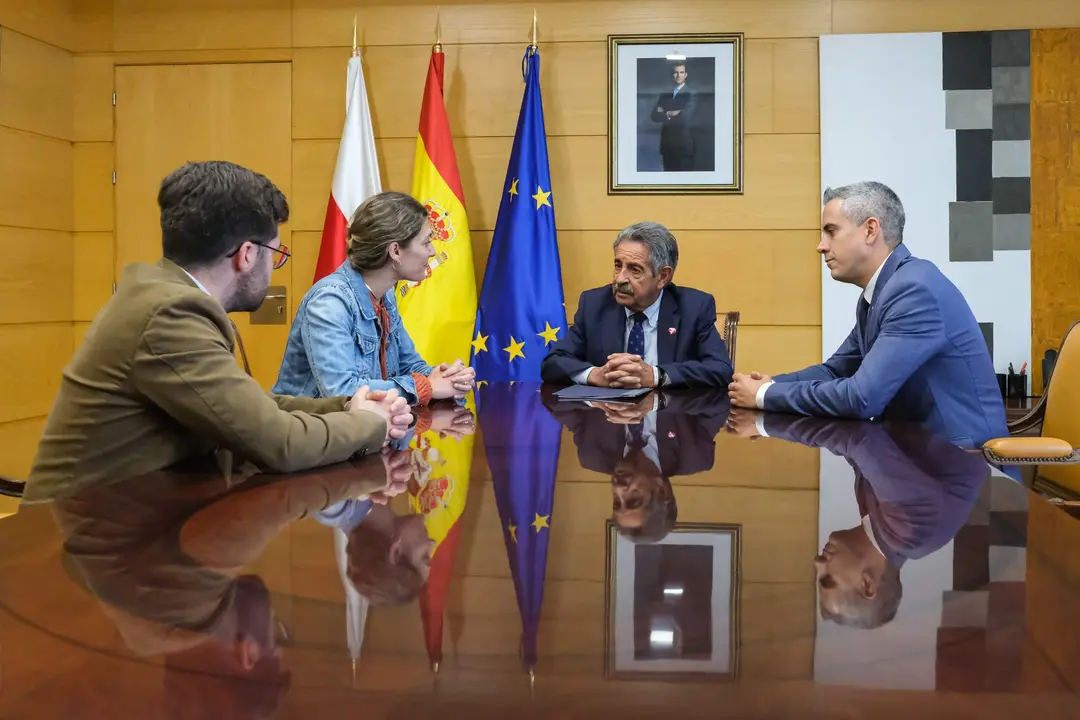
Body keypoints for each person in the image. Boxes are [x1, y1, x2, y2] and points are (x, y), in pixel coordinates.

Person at [25, 161, 411, 503]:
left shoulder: (167, 297)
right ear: (247, 254)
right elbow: (281, 444)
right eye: (275, 254)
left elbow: (253, 408)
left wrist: (346, 406)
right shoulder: (170, 315)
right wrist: (369, 423)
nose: (273, 266)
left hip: (138, 524)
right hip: (76, 545)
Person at [728, 181, 1008, 448]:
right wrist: (770, 384)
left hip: (961, 470)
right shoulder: (882, 292)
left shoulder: (913, 291)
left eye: (831, 231)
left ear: (870, 230)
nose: (821, 245)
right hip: (913, 459)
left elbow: (862, 398)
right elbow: (835, 370)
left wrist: (764, 395)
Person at [727, 412, 988, 629]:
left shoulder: (880, 524)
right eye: (828, 579)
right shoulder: (912, 532)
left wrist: (767, 407)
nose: (817, 563)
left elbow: (850, 436)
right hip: (943, 387)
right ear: (867, 584)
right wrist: (764, 424)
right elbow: (858, 436)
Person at [273, 191, 474, 406]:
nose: (433, 252)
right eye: (426, 242)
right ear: (395, 251)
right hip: (309, 433)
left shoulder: (385, 294)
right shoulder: (329, 302)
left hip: (363, 429)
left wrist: (444, 377)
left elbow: (410, 365)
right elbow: (342, 392)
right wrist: (426, 386)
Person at [540, 222, 733, 388]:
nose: (620, 278)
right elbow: (553, 363)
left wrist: (656, 376)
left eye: (635, 269)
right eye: (618, 265)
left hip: (671, 420)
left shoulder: (694, 307)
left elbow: (720, 369)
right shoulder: (595, 304)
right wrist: (594, 375)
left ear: (662, 276)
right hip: (607, 420)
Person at [543, 388, 729, 543]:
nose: (620, 489)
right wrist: (657, 397)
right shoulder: (693, 453)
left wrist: (602, 394)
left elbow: (553, 396)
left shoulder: (592, 453)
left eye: (617, 501)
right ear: (662, 490)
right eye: (633, 499)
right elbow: (717, 396)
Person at [650, 63, 698, 171]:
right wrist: (671, 113)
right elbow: (654, 115)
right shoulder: (665, 95)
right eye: (676, 72)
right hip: (667, 146)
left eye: (681, 72)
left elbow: (685, 117)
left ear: (685, 75)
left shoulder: (691, 94)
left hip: (684, 147)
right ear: (672, 75)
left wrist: (664, 112)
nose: (678, 75)